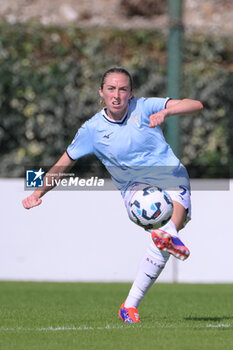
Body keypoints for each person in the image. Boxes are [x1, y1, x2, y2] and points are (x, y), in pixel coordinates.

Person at [22, 67, 203, 323]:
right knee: (164, 207)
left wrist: (167, 111)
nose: (116, 95)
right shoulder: (92, 130)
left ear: (131, 93)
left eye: (122, 89)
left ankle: (129, 305)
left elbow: (196, 104)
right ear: (101, 92)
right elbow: (64, 164)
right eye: (111, 89)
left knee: (167, 232)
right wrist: (38, 192)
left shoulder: (145, 107)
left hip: (167, 174)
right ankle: (169, 233)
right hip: (135, 191)